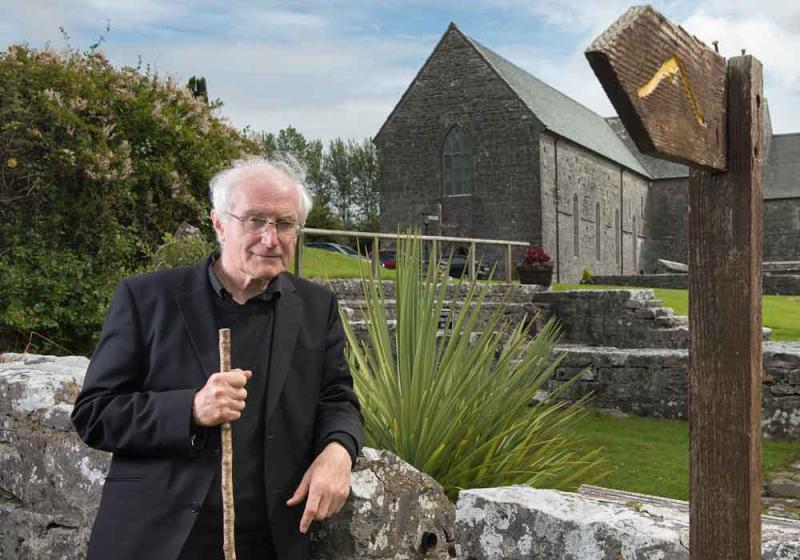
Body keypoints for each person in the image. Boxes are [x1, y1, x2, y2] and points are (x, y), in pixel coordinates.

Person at [71, 156, 364, 560]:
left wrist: (339, 451)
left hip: (270, 541)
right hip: (157, 539)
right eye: (255, 220)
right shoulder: (146, 299)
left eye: (284, 224)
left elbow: (337, 399)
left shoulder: (316, 306)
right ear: (219, 223)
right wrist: (189, 408)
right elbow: (94, 414)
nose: (270, 238)